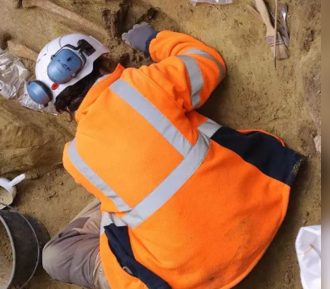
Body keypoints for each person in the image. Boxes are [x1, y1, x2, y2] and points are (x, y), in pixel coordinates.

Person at [26, 24, 304, 289]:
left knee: (57, 255)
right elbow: (208, 61)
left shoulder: (75, 159)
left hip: (194, 278)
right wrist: (153, 41)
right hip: (262, 203)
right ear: (102, 63)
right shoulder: (144, 83)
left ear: (62, 109)